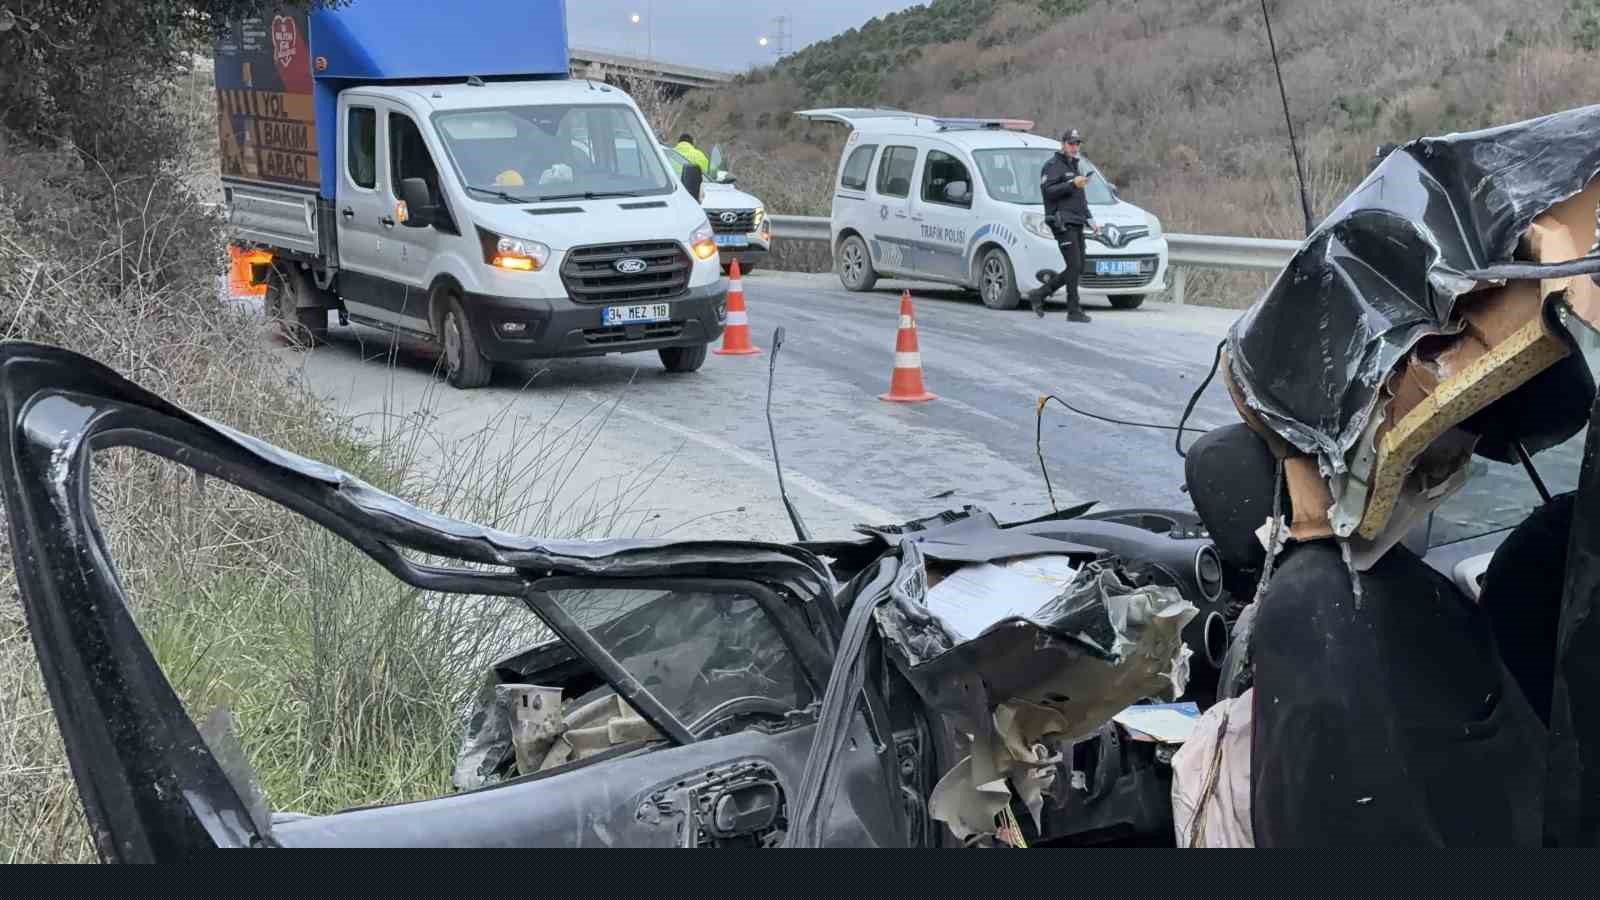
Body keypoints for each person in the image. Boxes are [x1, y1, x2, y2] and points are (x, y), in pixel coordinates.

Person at [1028, 129, 1098, 324]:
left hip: (1077, 221)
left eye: (1077, 144)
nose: (1075, 147)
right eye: (1071, 143)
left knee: (1078, 266)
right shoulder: (1052, 166)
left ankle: (1040, 294)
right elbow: (1048, 191)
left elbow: (1079, 197)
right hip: (1061, 222)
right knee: (1074, 266)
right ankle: (1073, 309)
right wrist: (1072, 184)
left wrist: (1090, 220)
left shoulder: (1076, 166)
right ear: (1063, 144)